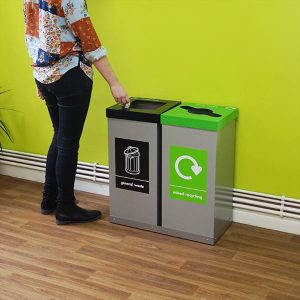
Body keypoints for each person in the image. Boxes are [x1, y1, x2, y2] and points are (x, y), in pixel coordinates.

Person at [23, 0, 130, 225]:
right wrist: (114, 83)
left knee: (59, 135)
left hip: (44, 76)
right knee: (68, 143)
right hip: (69, 74)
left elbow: (31, 37)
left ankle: (48, 200)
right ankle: (66, 207)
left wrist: (38, 75)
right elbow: (90, 42)